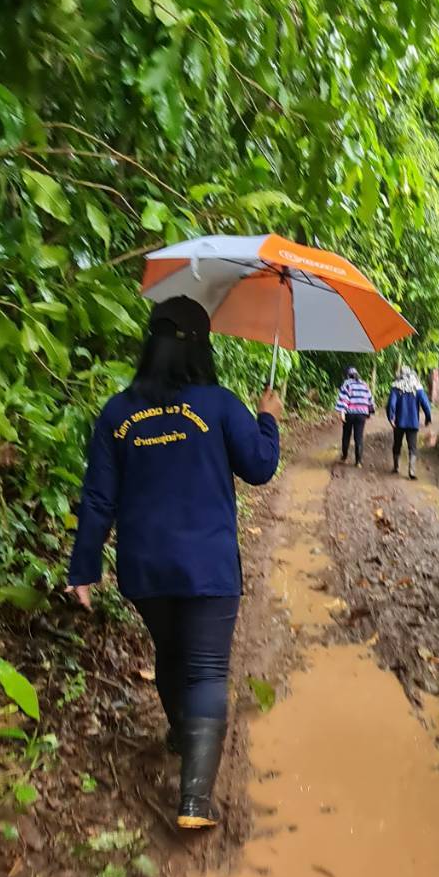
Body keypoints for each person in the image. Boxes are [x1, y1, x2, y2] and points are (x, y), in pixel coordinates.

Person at [66, 296, 282, 831]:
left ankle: (182, 730)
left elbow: (97, 498)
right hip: (208, 566)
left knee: (169, 653)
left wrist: (83, 572)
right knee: (206, 668)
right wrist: (268, 418)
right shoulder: (219, 404)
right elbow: (260, 467)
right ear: (202, 348)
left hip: (145, 569)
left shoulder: (118, 413)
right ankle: (193, 802)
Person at [386, 365, 432, 478]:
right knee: (412, 447)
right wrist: (428, 418)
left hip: (398, 423)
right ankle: (411, 471)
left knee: (397, 444)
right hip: (413, 423)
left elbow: (391, 404)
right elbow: (426, 404)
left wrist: (391, 418)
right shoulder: (418, 387)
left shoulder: (396, 387)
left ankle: (396, 467)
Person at [335, 365, 375, 466]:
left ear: (348, 375)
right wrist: (369, 412)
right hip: (362, 414)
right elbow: (370, 399)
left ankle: (344, 457)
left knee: (346, 435)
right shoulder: (364, 384)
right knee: (359, 437)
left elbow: (344, 399)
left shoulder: (347, 384)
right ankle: (358, 462)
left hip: (350, 413)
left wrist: (342, 412)